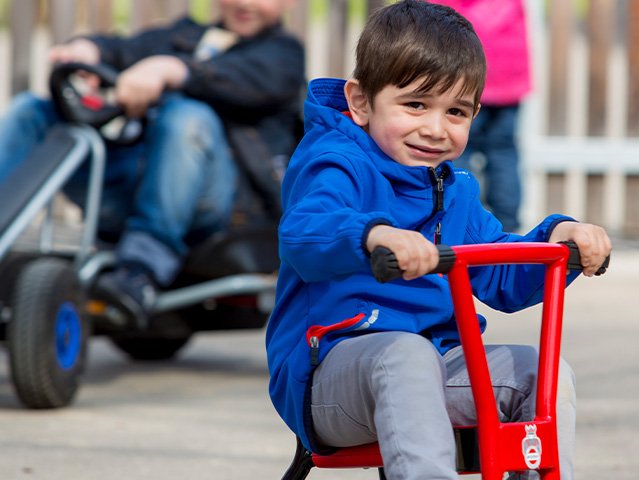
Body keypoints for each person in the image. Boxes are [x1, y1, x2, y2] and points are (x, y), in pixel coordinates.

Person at [265, 2, 611, 480]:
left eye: (456, 112)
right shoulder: (334, 163)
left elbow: (500, 272)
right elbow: (306, 231)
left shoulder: (453, 189)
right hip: (327, 377)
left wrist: (560, 236)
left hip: (431, 369)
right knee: (404, 356)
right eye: (415, 105)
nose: (435, 128)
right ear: (362, 102)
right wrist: (373, 235)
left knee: (540, 374)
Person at [0, 0, 305, 327]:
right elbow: (122, 48)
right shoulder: (182, 35)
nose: (245, 3)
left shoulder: (282, 55)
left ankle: (142, 267)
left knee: (188, 116)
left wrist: (168, 70)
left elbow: (240, 80)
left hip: (219, 209)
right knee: (30, 109)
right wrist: (88, 50)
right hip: (131, 190)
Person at [431, 0, 531, 232]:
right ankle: (508, 225)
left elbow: (435, 20)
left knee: (455, 150)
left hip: (462, 81)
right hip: (509, 80)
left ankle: (457, 214)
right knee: (503, 153)